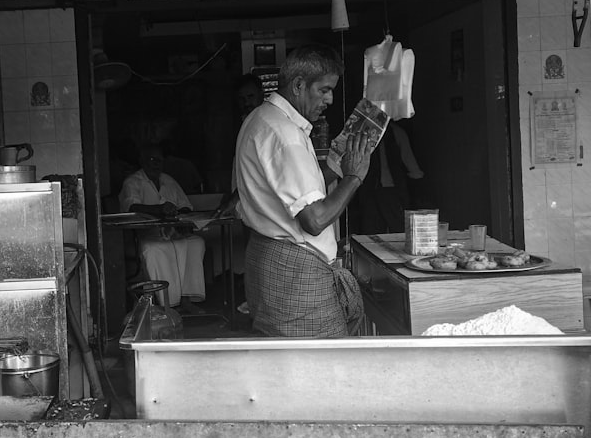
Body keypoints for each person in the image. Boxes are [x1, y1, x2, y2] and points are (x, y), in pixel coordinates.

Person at [234, 46, 373, 338]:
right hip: (296, 277)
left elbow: (294, 189)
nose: (330, 99)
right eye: (323, 90)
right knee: (320, 368)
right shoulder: (286, 136)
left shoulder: (261, 119)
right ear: (298, 85)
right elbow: (314, 220)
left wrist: (337, 166)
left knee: (291, 366)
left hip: (271, 260)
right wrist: (354, 176)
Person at [119, 144, 207, 314]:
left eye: (159, 159)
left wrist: (177, 213)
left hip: (173, 232)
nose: (156, 163)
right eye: (151, 159)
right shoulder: (133, 182)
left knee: (196, 243)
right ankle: (166, 303)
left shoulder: (168, 180)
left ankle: (186, 299)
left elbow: (186, 205)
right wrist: (159, 210)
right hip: (147, 235)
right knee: (155, 249)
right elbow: (130, 206)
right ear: (142, 161)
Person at [353, 121, 426, 234]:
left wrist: (418, 190)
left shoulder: (396, 132)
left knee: (398, 229)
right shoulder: (362, 133)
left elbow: (410, 162)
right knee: (370, 231)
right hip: (369, 189)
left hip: (392, 189)